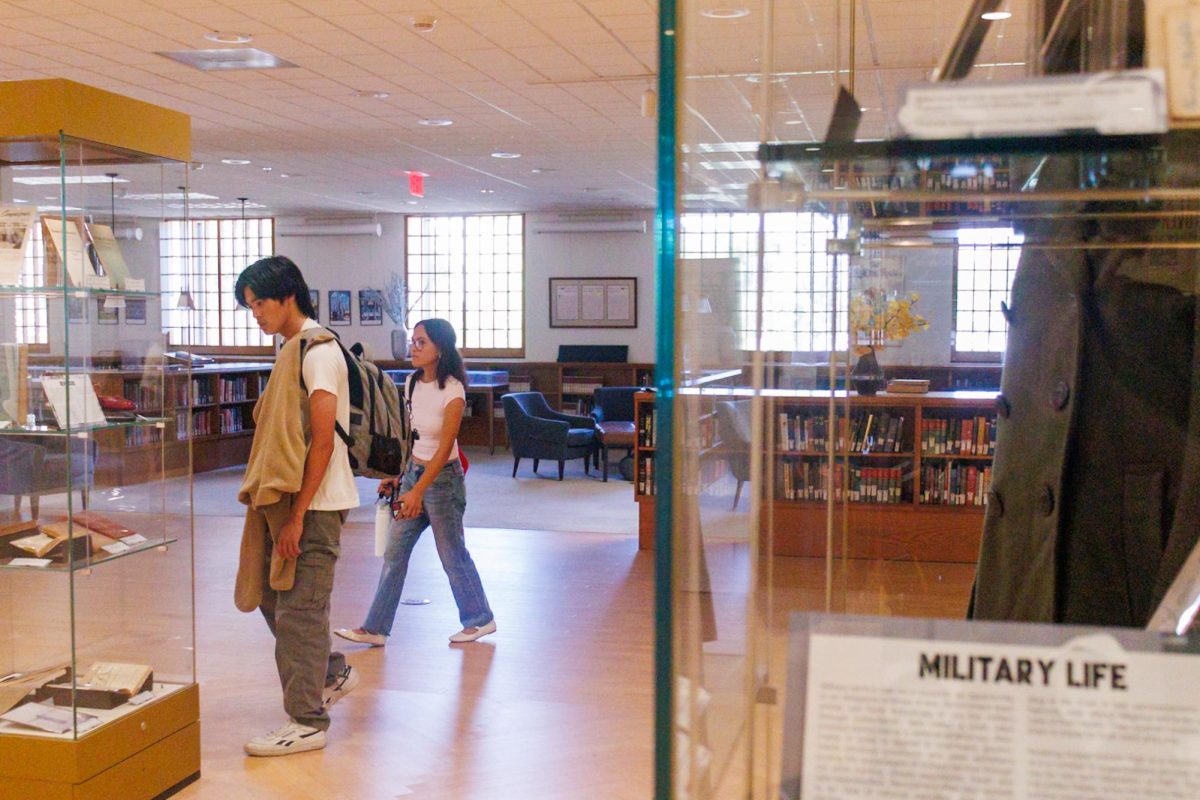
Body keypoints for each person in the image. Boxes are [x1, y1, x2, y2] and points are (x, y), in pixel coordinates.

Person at [232, 256, 360, 757]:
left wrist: (300, 515)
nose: (256, 314)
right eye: (249, 307)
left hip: (314, 507)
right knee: (268, 593)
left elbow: (323, 442)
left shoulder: (317, 350)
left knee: (301, 612)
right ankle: (329, 671)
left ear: (288, 297)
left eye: (259, 303)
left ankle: (306, 720)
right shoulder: (291, 349)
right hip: (284, 506)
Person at [336, 318, 496, 646]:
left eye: (422, 342)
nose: (414, 347)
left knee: (452, 553)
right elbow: (413, 437)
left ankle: (480, 619)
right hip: (414, 475)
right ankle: (376, 628)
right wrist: (400, 476)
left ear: (440, 349)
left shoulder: (453, 390)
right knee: (395, 552)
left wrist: (419, 492)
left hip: (443, 481)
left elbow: (445, 445)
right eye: (414, 341)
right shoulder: (410, 383)